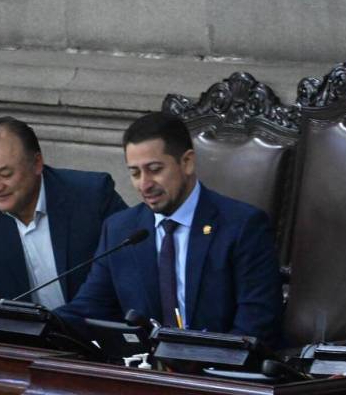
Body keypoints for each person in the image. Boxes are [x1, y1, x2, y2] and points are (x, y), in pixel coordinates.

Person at [55, 112, 282, 346]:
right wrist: (39, 325)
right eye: (135, 173)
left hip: (218, 373)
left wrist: (203, 365)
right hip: (146, 372)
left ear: (187, 162)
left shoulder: (243, 226)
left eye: (154, 169)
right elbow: (88, 309)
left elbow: (257, 323)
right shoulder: (120, 230)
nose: (144, 184)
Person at [0, 116, 127, 317]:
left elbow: (132, 266)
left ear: (37, 164)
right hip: (18, 341)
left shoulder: (92, 195)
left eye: (6, 174)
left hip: (93, 335)